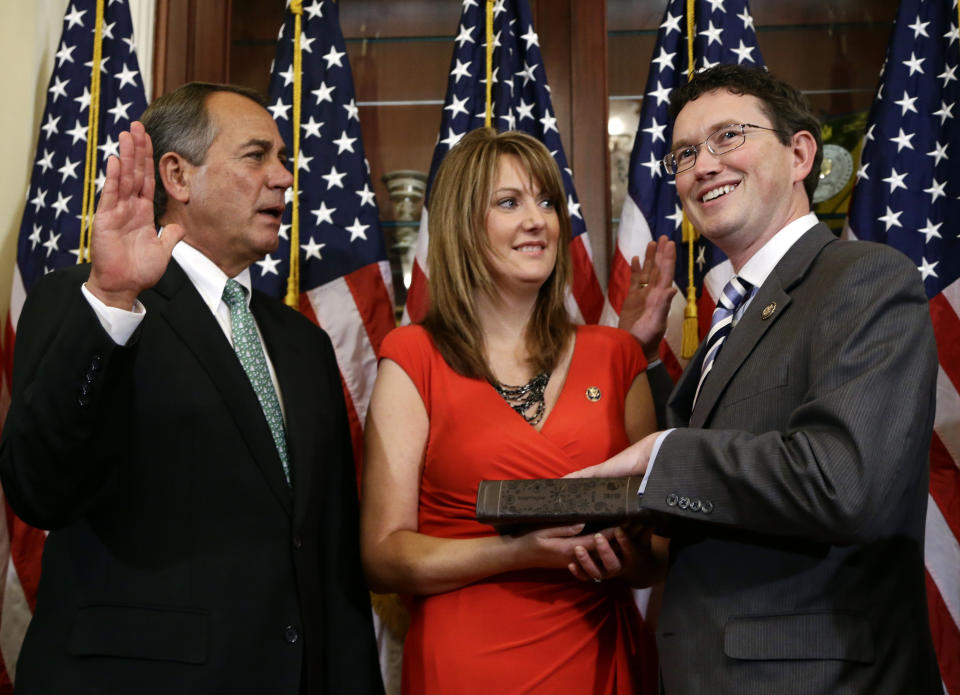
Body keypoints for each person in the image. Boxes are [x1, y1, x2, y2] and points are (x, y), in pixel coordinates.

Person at [0, 83, 383, 695]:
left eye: (283, 159)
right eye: (257, 156)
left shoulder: (303, 344)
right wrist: (113, 301)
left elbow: (329, 556)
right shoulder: (89, 303)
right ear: (176, 175)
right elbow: (39, 487)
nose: (283, 178)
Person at [574, 64, 942, 694]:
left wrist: (663, 454)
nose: (704, 164)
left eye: (728, 137)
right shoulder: (735, 313)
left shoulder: (863, 278)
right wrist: (645, 552)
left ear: (800, 154)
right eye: (686, 152)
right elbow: (730, 506)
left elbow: (843, 481)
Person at [360, 127, 663, 695]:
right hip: (466, 662)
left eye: (547, 201)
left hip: (600, 656)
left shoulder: (618, 355)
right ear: (461, 227)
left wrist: (625, 554)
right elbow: (383, 555)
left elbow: (657, 555)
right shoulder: (413, 356)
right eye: (509, 202)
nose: (538, 220)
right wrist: (518, 551)